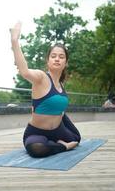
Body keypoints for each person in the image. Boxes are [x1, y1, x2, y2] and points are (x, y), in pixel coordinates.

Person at [10, 22, 81, 158]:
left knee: (76, 138)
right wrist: (14, 41)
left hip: (58, 130)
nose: (57, 59)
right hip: (37, 132)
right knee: (37, 149)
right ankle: (63, 146)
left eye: (61, 57)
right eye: (53, 56)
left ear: (66, 63)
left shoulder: (61, 85)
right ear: (48, 61)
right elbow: (24, 71)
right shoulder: (41, 78)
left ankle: (58, 142)